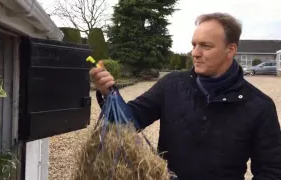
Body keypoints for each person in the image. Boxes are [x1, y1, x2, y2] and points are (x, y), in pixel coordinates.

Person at [89, 12, 281, 180]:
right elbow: (129, 122)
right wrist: (109, 93)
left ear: (231, 50)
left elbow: (272, 170)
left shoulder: (259, 106)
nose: (195, 53)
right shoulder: (172, 84)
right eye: (194, 45)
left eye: (205, 46)